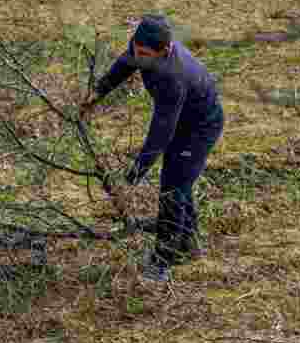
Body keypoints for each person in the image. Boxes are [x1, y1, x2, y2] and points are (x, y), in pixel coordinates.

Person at [81, 15, 224, 282]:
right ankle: (188, 244)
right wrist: (98, 92)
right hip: (182, 119)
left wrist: (134, 175)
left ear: (165, 50)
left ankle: (163, 260)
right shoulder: (141, 45)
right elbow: (126, 62)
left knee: (173, 189)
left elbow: (161, 133)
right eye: (137, 49)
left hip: (199, 128)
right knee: (177, 183)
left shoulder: (173, 77)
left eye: (146, 54)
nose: (139, 57)